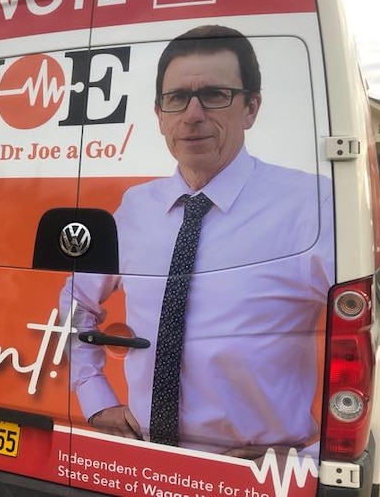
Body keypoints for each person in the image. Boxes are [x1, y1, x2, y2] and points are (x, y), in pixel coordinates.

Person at [59, 25, 334, 457]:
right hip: (144, 465)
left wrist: (308, 459)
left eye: (214, 94)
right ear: (160, 114)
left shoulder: (312, 205)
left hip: (252, 478)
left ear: (251, 107)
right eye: (176, 99)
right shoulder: (135, 208)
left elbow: (363, 341)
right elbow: (76, 300)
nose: (192, 115)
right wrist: (95, 396)